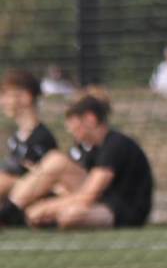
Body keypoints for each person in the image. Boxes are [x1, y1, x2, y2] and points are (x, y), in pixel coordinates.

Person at [0, 90, 154, 231]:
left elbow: (90, 194)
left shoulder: (115, 144)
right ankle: (9, 212)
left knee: (71, 215)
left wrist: (47, 207)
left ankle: (19, 216)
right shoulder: (88, 148)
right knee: (55, 161)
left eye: (73, 123)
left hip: (121, 210)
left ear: (90, 119)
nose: (70, 130)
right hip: (99, 201)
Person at [0, 69, 58, 204]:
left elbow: (44, 180)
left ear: (26, 97)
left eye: (7, 95)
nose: (2, 101)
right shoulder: (15, 138)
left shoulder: (42, 138)